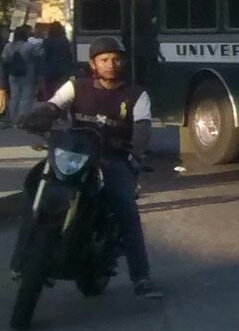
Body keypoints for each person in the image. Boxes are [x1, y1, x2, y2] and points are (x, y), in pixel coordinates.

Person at [14, 37, 163, 297]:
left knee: (126, 207)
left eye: (116, 59)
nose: (111, 64)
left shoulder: (136, 95)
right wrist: (32, 118)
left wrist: (135, 154)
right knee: (36, 188)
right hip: (74, 152)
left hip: (113, 158)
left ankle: (141, 277)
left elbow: (142, 130)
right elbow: (54, 106)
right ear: (93, 63)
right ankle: (19, 262)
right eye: (104, 59)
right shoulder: (76, 87)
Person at [2, 26, 41, 120]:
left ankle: (12, 116)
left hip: (13, 74)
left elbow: (4, 59)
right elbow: (39, 54)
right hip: (27, 73)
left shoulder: (8, 46)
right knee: (25, 95)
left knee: (14, 95)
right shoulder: (28, 46)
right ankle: (22, 117)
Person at [40, 21, 75, 100]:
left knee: (50, 92)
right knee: (62, 91)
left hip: (50, 68)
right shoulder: (64, 40)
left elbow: (44, 55)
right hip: (63, 68)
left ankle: (50, 106)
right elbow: (69, 54)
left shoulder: (47, 41)